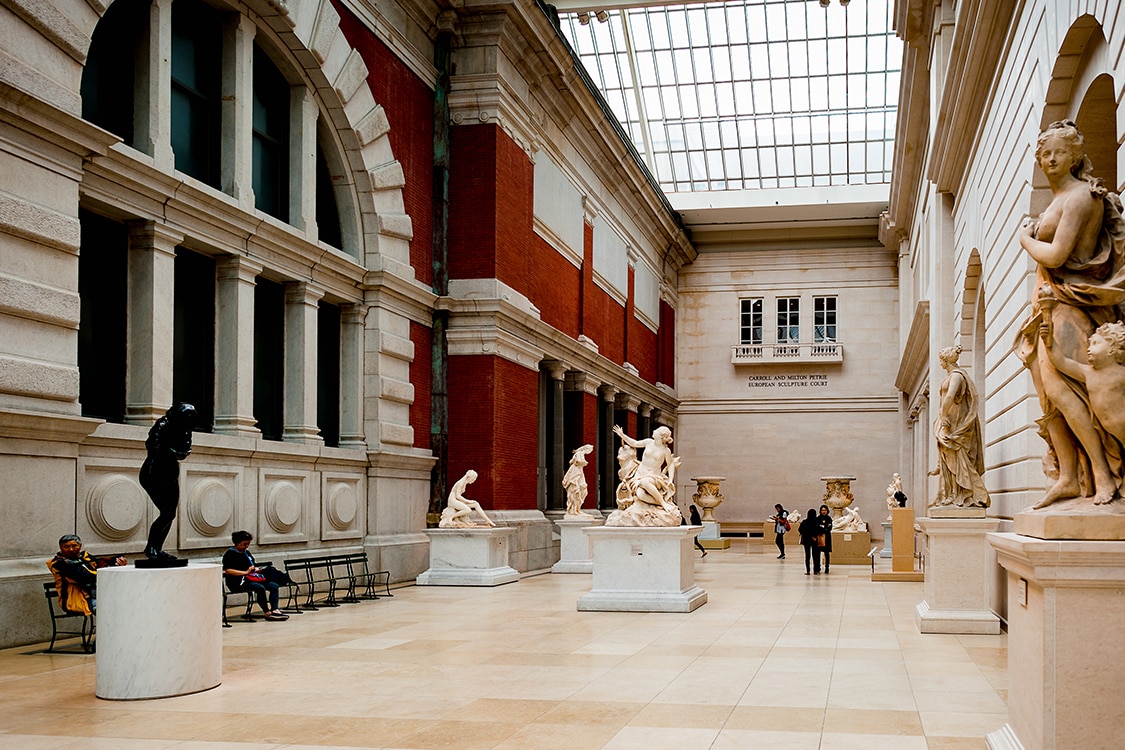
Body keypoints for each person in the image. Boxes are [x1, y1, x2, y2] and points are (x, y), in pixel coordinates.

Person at [1017, 120, 1125, 508]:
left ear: (1075, 155)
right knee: (1050, 395)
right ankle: (1067, 475)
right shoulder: (1060, 198)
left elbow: (1057, 256)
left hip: (1071, 303)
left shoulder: (1081, 196)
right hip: (1049, 302)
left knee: (1068, 388)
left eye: (1057, 152)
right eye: (1043, 153)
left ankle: (1100, 473)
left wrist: (1026, 238)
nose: (1048, 159)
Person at [1045, 321, 1125, 452]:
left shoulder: (1121, 374)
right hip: (1115, 433)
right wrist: (1049, 339)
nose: (1088, 348)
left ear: (1112, 348)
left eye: (1095, 344)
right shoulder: (1088, 373)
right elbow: (1062, 362)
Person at [930, 345, 990, 508]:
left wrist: (943, 417)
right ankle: (950, 494)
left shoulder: (957, 376)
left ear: (945, 360)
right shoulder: (951, 376)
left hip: (955, 421)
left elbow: (949, 396)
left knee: (957, 454)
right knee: (949, 454)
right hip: (949, 419)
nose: (940, 363)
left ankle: (969, 493)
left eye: (941, 360)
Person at [139, 403, 195, 560]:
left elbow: (185, 451)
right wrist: (172, 452)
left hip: (170, 474)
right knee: (166, 513)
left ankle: (156, 548)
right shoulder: (162, 424)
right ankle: (151, 549)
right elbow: (153, 446)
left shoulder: (185, 429)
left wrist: (172, 451)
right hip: (154, 473)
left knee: (170, 514)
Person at [46, 534, 126, 615]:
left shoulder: (85, 557)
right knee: (110, 611)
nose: (71, 549)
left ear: (80, 546)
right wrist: (106, 572)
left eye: (74, 546)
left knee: (126, 605)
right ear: (60, 548)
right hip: (78, 599)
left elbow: (101, 563)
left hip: (98, 594)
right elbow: (84, 577)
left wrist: (118, 562)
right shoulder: (58, 564)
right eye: (66, 547)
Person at [222, 531, 288, 621]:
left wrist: (256, 569)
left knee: (273, 586)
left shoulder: (247, 553)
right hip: (238, 581)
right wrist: (245, 572)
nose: (246, 546)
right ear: (237, 543)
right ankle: (266, 612)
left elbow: (252, 565)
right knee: (259, 588)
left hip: (251, 578)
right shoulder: (229, 554)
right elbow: (228, 571)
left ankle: (275, 609)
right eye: (244, 544)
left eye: (248, 544)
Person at [563, 444, 594, 517]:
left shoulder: (580, 455)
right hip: (576, 473)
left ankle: (577, 509)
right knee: (576, 490)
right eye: (590, 450)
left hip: (579, 472)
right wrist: (584, 462)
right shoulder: (579, 454)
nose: (589, 452)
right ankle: (574, 510)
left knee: (583, 490)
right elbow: (577, 461)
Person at [798, 508, 820, 574]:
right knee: (815, 555)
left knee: (807, 556)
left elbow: (800, 530)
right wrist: (814, 536)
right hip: (814, 540)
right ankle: (815, 570)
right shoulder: (816, 521)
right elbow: (818, 530)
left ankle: (808, 570)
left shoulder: (804, 522)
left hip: (806, 540)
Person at [814, 505, 833, 573]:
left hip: (827, 537)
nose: (823, 511)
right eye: (822, 510)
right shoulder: (818, 518)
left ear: (827, 511)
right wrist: (824, 527)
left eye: (825, 510)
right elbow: (817, 527)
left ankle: (827, 567)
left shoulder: (829, 518)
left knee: (826, 553)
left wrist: (823, 527)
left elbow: (829, 527)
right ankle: (818, 567)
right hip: (820, 537)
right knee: (818, 553)